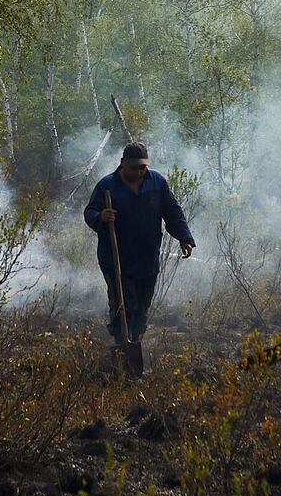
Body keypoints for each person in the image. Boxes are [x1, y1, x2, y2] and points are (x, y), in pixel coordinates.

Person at [81, 142, 196, 379]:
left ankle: (134, 339)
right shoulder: (107, 186)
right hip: (117, 260)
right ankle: (123, 344)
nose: (139, 172)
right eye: (134, 167)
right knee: (124, 304)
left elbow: (172, 212)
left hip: (147, 257)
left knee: (141, 307)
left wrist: (185, 238)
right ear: (123, 164)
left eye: (142, 167)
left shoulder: (156, 183)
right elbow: (89, 212)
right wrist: (101, 216)